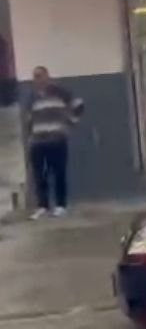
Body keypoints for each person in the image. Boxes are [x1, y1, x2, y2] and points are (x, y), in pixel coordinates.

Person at [25, 66, 83, 219]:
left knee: (58, 173)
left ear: (47, 77)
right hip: (38, 142)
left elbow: (78, 105)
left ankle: (60, 205)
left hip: (57, 140)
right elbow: (29, 118)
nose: (38, 79)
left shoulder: (60, 92)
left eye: (41, 76)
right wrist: (31, 136)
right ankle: (43, 206)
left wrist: (70, 122)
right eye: (35, 77)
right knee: (39, 175)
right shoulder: (32, 97)